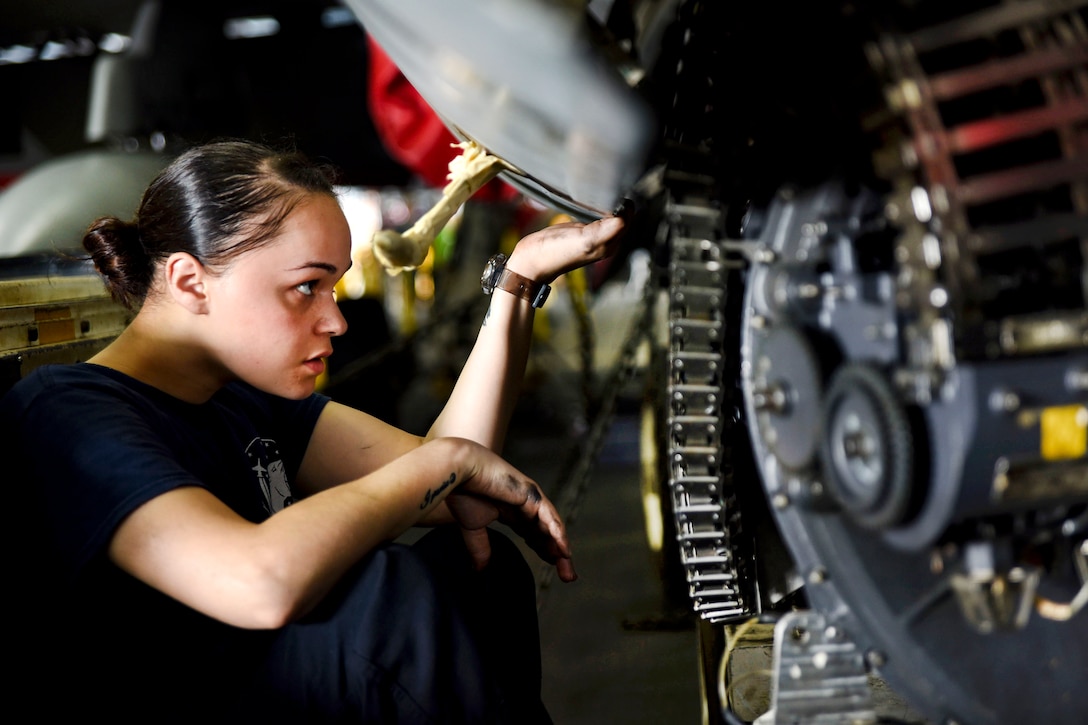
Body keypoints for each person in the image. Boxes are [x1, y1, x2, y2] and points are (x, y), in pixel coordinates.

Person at [2, 139, 625, 723]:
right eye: (306, 287)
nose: (336, 320)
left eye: (333, 286)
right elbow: (258, 584)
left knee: (475, 569)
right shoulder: (68, 414)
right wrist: (439, 469)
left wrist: (518, 283)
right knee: (392, 598)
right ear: (191, 282)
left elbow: (456, 478)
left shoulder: (237, 399)